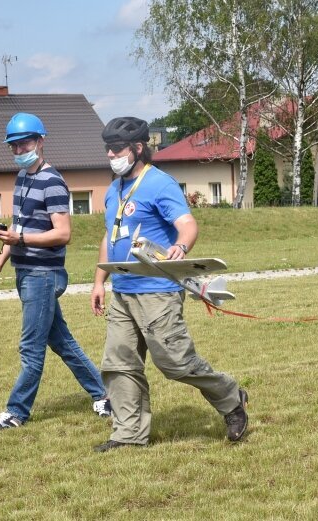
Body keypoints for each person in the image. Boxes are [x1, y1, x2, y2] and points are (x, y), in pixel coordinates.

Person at [90, 116, 248, 452]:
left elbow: (187, 224)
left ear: (137, 147)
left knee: (175, 363)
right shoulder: (113, 189)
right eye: (107, 149)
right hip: (123, 292)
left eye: (116, 149)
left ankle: (231, 397)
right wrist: (99, 281)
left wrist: (181, 246)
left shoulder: (159, 183)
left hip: (157, 292)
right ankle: (129, 435)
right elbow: (111, 235)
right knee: (119, 364)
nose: (110, 155)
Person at [0, 112, 111, 430]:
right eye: (12, 146)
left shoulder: (53, 182)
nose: (17, 150)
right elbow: (17, 226)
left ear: (40, 142)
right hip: (25, 272)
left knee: (30, 347)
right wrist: (0, 261)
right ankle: (105, 395)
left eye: (23, 143)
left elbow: (63, 233)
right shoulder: (23, 178)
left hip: (43, 275)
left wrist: (21, 238)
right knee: (63, 342)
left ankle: (16, 412)